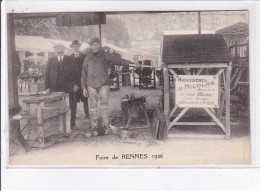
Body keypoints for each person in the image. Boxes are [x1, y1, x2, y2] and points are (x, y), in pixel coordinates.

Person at [81, 37, 129, 136]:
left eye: (96, 44)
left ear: (99, 45)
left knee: (104, 106)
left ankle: (106, 126)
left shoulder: (105, 55)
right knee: (92, 107)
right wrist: (83, 87)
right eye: (93, 45)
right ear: (90, 46)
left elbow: (118, 60)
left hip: (103, 84)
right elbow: (84, 72)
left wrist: (129, 63)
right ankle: (94, 126)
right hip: (90, 85)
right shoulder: (87, 57)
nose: (95, 46)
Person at [44, 43, 80, 131]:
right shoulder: (51, 60)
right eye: (56, 48)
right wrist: (47, 87)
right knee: (56, 105)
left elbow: (77, 73)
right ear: (54, 50)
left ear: (64, 49)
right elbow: (47, 74)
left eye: (60, 48)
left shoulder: (70, 59)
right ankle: (58, 126)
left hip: (69, 86)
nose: (59, 50)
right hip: (55, 87)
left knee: (72, 105)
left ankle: (72, 124)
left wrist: (76, 84)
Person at [69, 40, 90, 119]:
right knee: (73, 99)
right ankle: (73, 114)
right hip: (74, 82)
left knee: (85, 97)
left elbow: (87, 68)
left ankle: (87, 113)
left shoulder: (84, 56)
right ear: (72, 47)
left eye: (77, 46)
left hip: (83, 80)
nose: (76, 48)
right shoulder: (69, 57)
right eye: (74, 46)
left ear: (79, 47)